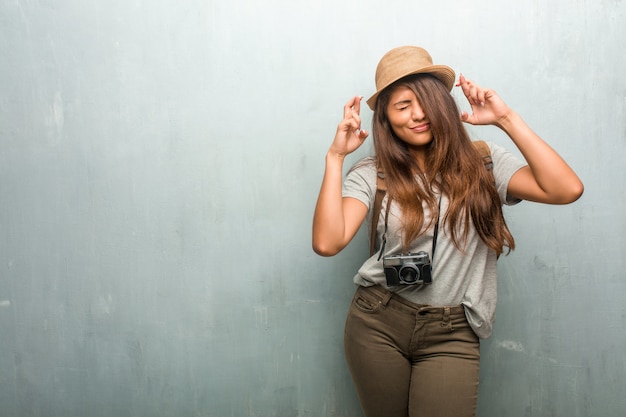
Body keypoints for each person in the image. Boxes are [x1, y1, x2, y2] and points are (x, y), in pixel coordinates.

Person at [312, 46, 583, 417]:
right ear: (386, 119)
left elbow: (566, 189)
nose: (418, 114)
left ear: (443, 104)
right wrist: (335, 157)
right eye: (402, 105)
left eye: (424, 102)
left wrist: (506, 119)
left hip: (452, 331)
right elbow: (328, 242)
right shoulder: (373, 172)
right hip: (377, 321)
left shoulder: (484, 162)